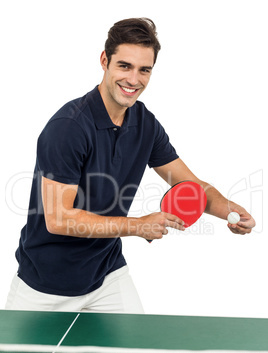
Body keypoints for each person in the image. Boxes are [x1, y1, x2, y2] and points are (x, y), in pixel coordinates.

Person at [6, 18, 255, 313]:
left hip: (107, 275)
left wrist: (231, 211)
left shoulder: (145, 124)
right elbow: (59, 219)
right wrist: (137, 226)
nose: (134, 80)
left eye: (144, 69)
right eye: (124, 66)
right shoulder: (68, 128)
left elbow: (190, 186)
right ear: (104, 61)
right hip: (44, 284)